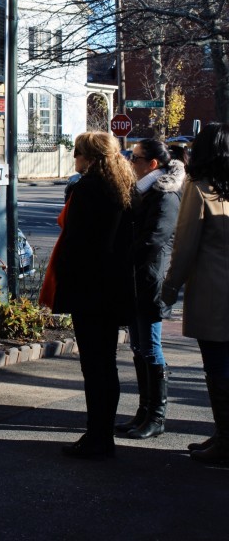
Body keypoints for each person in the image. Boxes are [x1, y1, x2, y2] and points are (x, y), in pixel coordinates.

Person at [41, 131, 137, 460]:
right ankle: (101, 434)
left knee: (94, 367)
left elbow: (75, 245)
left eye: (78, 153)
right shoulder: (124, 187)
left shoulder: (87, 189)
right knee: (105, 365)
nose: (74, 159)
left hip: (89, 290)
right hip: (113, 289)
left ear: (91, 157)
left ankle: (97, 436)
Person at [162, 122, 229, 465]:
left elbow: (185, 246)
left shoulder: (200, 188)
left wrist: (169, 289)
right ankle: (223, 435)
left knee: (218, 368)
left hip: (214, 295)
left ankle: (226, 439)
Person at [115, 139, 185, 440]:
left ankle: (156, 416)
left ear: (152, 164)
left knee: (151, 347)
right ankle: (144, 411)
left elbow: (154, 240)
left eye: (136, 157)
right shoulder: (142, 192)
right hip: (137, 280)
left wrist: (123, 259)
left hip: (150, 281)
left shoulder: (165, 196)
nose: (131, 161)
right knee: (138, 347)